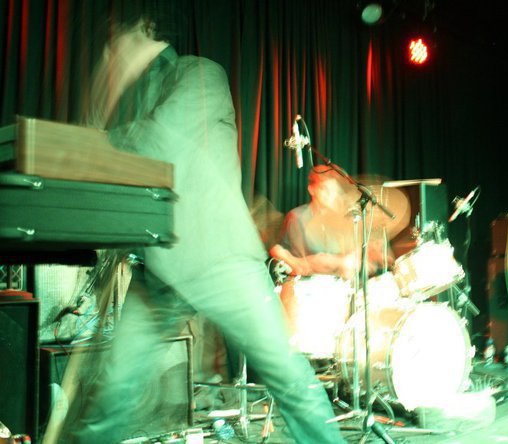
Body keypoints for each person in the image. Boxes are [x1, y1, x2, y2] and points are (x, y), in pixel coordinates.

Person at [59, 9, 345, 443]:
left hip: (219, 259)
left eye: (119, 42)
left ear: (146, 30)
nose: (113, 53)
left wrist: (89, 140)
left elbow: (157, 143)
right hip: (160, 267)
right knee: (112, 391)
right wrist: (103, 103)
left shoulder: (201, 74)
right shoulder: (143, 95)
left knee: (288, 379)